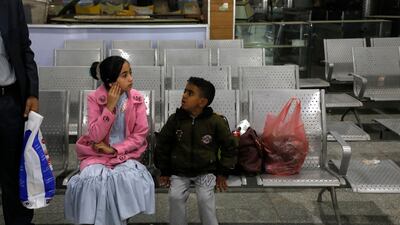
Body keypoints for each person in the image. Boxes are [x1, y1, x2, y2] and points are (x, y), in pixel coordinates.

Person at [64, 56, 155, 225]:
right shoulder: (94, 98)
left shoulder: (136, 98)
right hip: (96, 154)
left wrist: (115, 150)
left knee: (124, 180)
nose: (131, 79)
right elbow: (95, 137)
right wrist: (109, 107)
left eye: (130, 73)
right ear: (110, 80)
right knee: (93, 181)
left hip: (126, 154)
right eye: (124, 75)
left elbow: (139, 135)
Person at [155, 77, 238, 225]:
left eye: (190, 93)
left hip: (206, 170)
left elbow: (229, 146)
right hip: (179, 171)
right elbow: (162, 144)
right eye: (185, 91)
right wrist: (165, 171)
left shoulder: (215, 121)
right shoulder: (175, 120)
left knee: (205, 199)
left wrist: (222, 173)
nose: (184, 95)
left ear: (202, 102)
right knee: (175, 197)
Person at [0, 0, 39, 224]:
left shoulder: (10, 4)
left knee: (13, 170)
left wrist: (32, 92)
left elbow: (25, 48)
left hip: (9, 100)